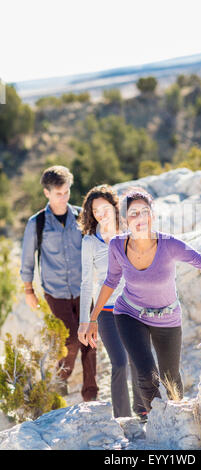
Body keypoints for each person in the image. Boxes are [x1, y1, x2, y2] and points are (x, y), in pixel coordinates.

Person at [85, 188, 201, 415]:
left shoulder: (169, 245)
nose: (140, 218)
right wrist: (93, 317)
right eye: (133, 213)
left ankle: (176, 417)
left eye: (144, 212)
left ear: (152, 216)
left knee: (170, 378)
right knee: (146, 374)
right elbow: (110, 281)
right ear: (125, 219)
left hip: (167, 318)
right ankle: (155, 420)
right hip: (130, 314)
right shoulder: (118, 245)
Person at [20, 165, 98, 402]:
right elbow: (27, 258)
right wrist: (28, 290)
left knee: (90, 341)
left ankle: (90, 395)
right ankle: (58, 384)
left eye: (66, 192)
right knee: (72, 339)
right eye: (58, 194)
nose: (63, 198)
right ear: (47, 193)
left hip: (83, 290)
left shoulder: (81, 216)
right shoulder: (37, 223)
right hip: (55, 294)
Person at [77, 185, 147, 419]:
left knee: (139, 360)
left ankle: (143, 410)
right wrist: (84, 322)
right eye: (94, 210)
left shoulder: (129, 232)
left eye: (103, 207)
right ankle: (123, 418)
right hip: (106, 311)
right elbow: (86, 283)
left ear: (114, 207)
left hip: (133, 307)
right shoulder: (89, 242)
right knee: (119, 363)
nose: (99, 213)